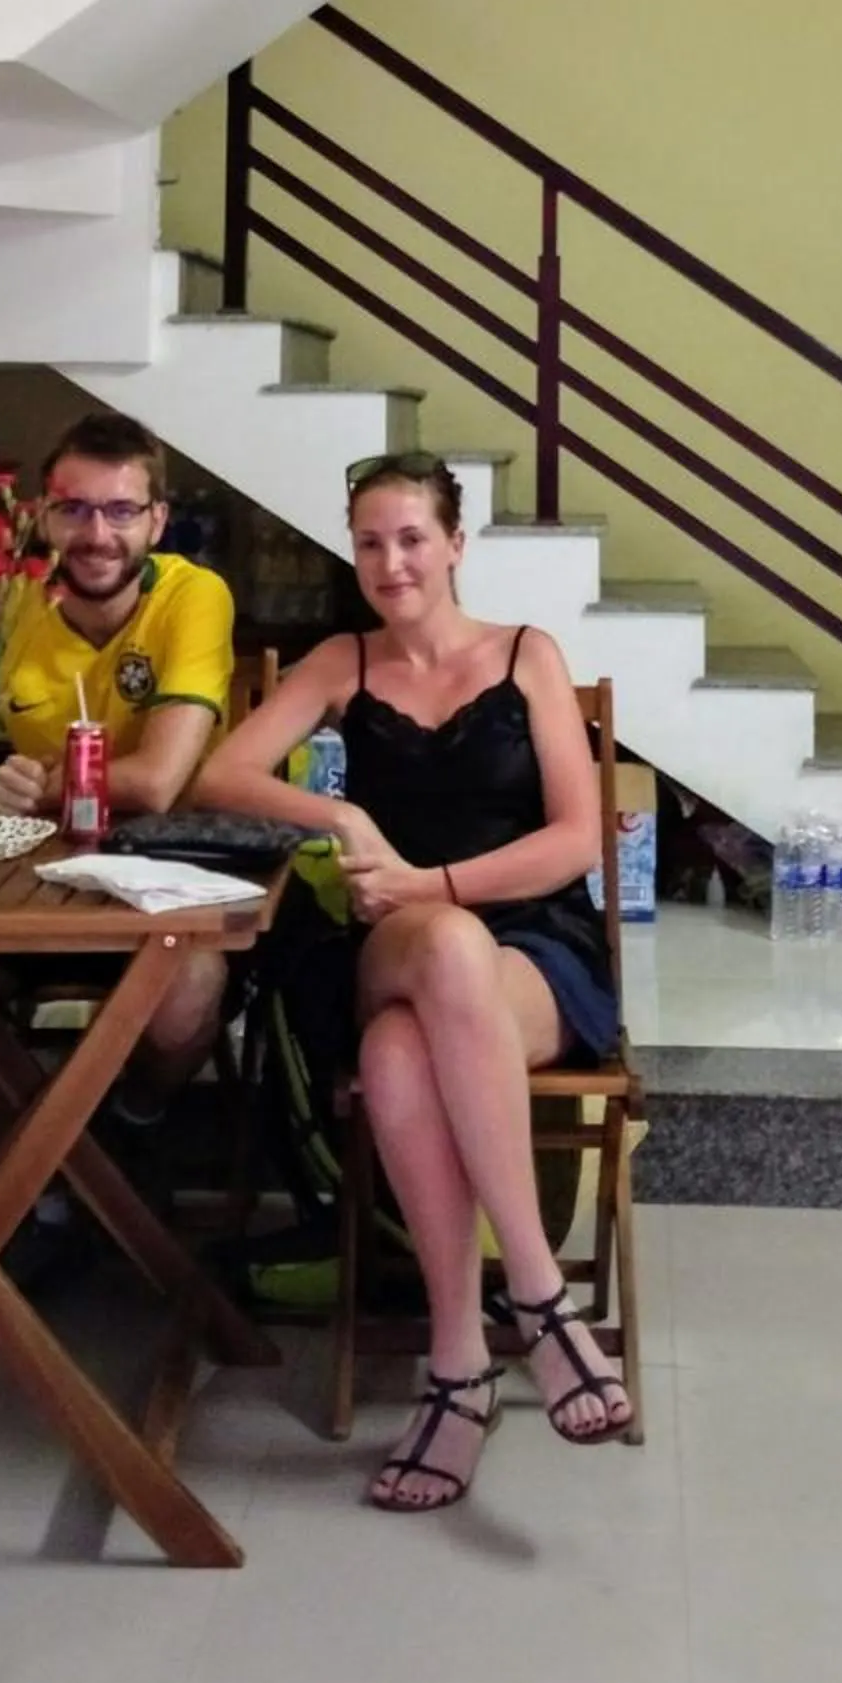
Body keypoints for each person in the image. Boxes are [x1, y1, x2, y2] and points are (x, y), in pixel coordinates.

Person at [197, 451, 632, 1512]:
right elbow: (220, 775)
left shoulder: (527, 655)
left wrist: (435, 881)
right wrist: (342, 816)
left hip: (534, 944)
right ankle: (539, 1297)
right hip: (394, 942)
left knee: (401, 1052)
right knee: (439, 948)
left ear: (455, 545)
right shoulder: (340, 661)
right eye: (369, 542)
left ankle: (458, 1366)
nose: (391, 563)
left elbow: (576, 839)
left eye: (411, 539)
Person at [0, 410, 236, 1179]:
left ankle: (124, 1131)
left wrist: (25, 786)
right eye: (75, 509)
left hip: (163, 888)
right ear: (42, 516)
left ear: (158, 521)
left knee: (191, 985)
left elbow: (158, 781)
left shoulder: (195, 595)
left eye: (121, 511)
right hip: (25, 891)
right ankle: (28, 1186)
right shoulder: (2, 603)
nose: (97, 534)